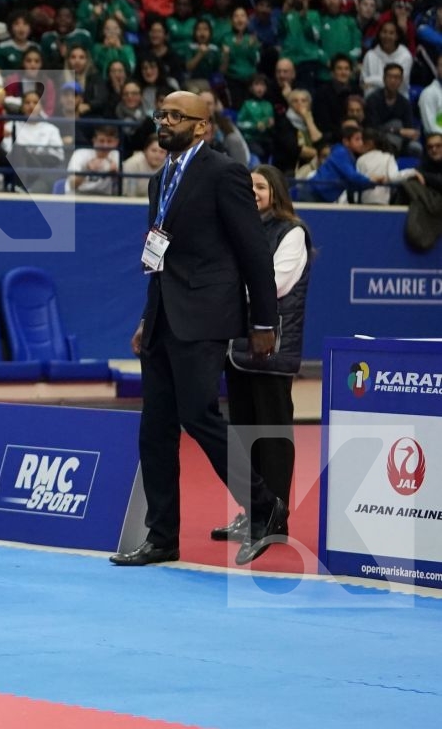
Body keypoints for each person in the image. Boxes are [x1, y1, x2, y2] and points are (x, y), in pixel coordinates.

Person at [113, 91, 286, 569]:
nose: (164, 121)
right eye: (161, 114)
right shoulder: (157, 180)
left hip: (206, 315)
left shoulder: (223, 172)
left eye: (175, 116)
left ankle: (264, 506)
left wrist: (264, 321)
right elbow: (158, 257)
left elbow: (253, 251)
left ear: (202, 126)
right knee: (154, 430)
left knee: (199, 416)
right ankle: (162, 536)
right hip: (164, 317)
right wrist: (148, 316)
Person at [211, 165, 312, 545]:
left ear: (277, 191)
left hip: (273, 347)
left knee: (271, 433)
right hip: (236, 347)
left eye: (260, 186)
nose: (252, 192)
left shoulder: (292, 232)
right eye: (247, 186)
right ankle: (252, 511)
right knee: (243, 431)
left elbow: (275, 284)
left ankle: (276, 517)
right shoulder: (236, 230)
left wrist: (225, 291)